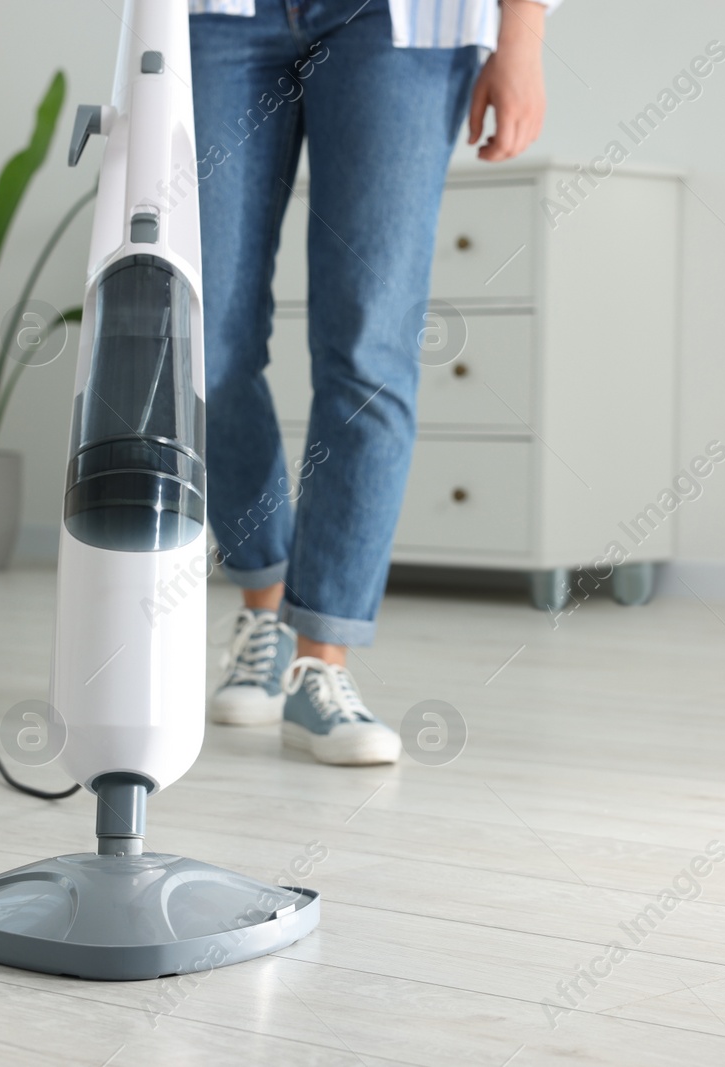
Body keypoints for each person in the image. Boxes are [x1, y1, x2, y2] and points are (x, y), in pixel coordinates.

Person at [191, 0, 558, 764]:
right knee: (199, 336)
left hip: (401, 24)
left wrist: (521, 36)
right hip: (215, 16)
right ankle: (264, 603)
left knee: (368, 348)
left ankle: (318, 664)